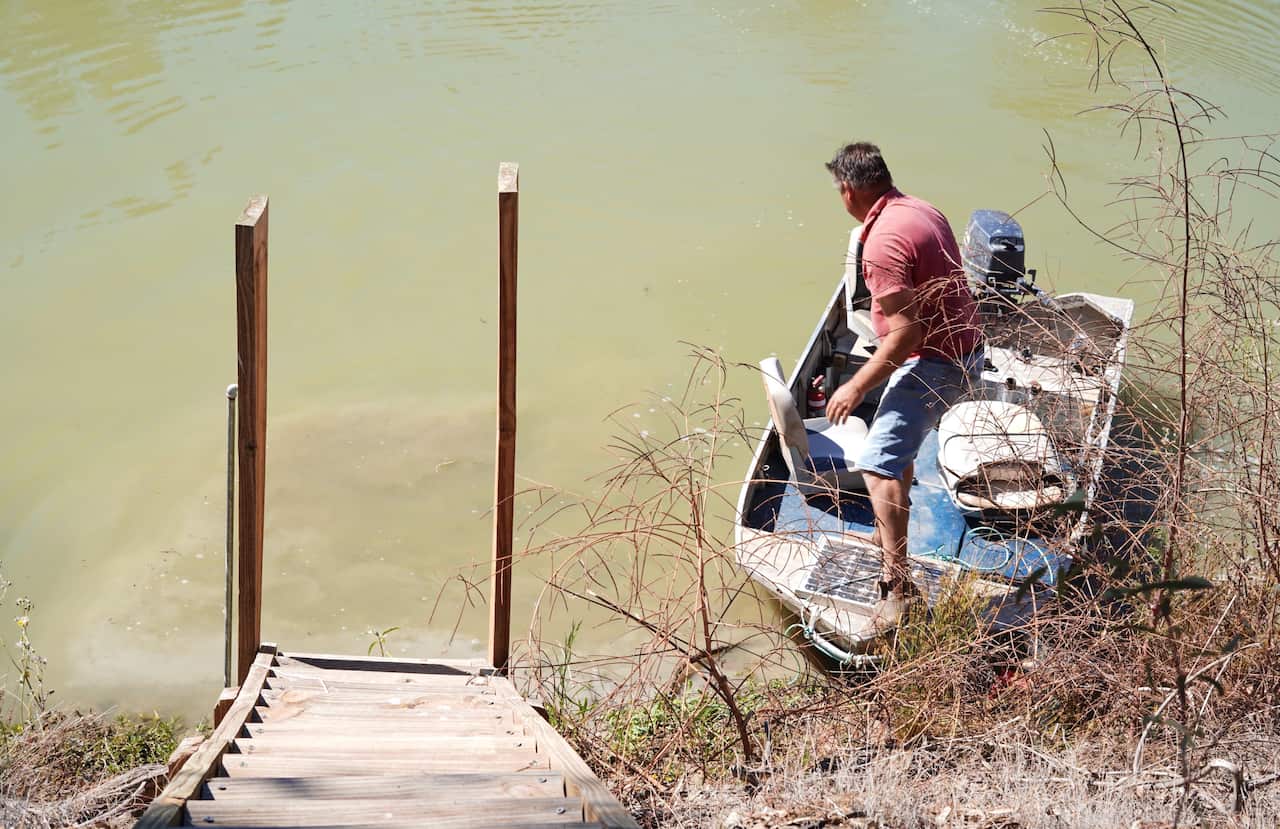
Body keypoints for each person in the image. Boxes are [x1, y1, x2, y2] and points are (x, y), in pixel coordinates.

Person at [822, 142, 983, 628]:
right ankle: (885, 532)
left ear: (848, 191)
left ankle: (898, 588)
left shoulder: (881, 245)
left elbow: (906, 332)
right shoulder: (920, 210)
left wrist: (854, 387)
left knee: (877, 466)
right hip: (966, 348)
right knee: (895, 447)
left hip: (938, 362)